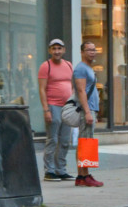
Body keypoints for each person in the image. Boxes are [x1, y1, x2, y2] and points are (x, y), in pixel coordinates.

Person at [38, 38, 74, 182]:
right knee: (52, 139)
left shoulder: (69, 65)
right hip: (53, 106)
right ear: (49, 51)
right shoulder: (46, 66)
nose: (57, 51)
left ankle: (61, 170)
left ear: (64, 50)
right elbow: (41, 89)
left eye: (59, 48)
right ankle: (49, 171)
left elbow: (71, 85)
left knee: (65, 140)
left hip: (67, 107)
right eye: (54, 48)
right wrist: (46, 109)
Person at [72, 41, 103, 187]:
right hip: (87, 110)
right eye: (89, 50)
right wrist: (87, 112)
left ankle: (82, 176)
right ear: (82, 52)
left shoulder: (88, 68)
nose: (92, 52)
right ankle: (84, 176)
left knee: (86, 142)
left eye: (94, 49)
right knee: (85, 142)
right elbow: (81, 91)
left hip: (91, 109)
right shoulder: (81, 69)